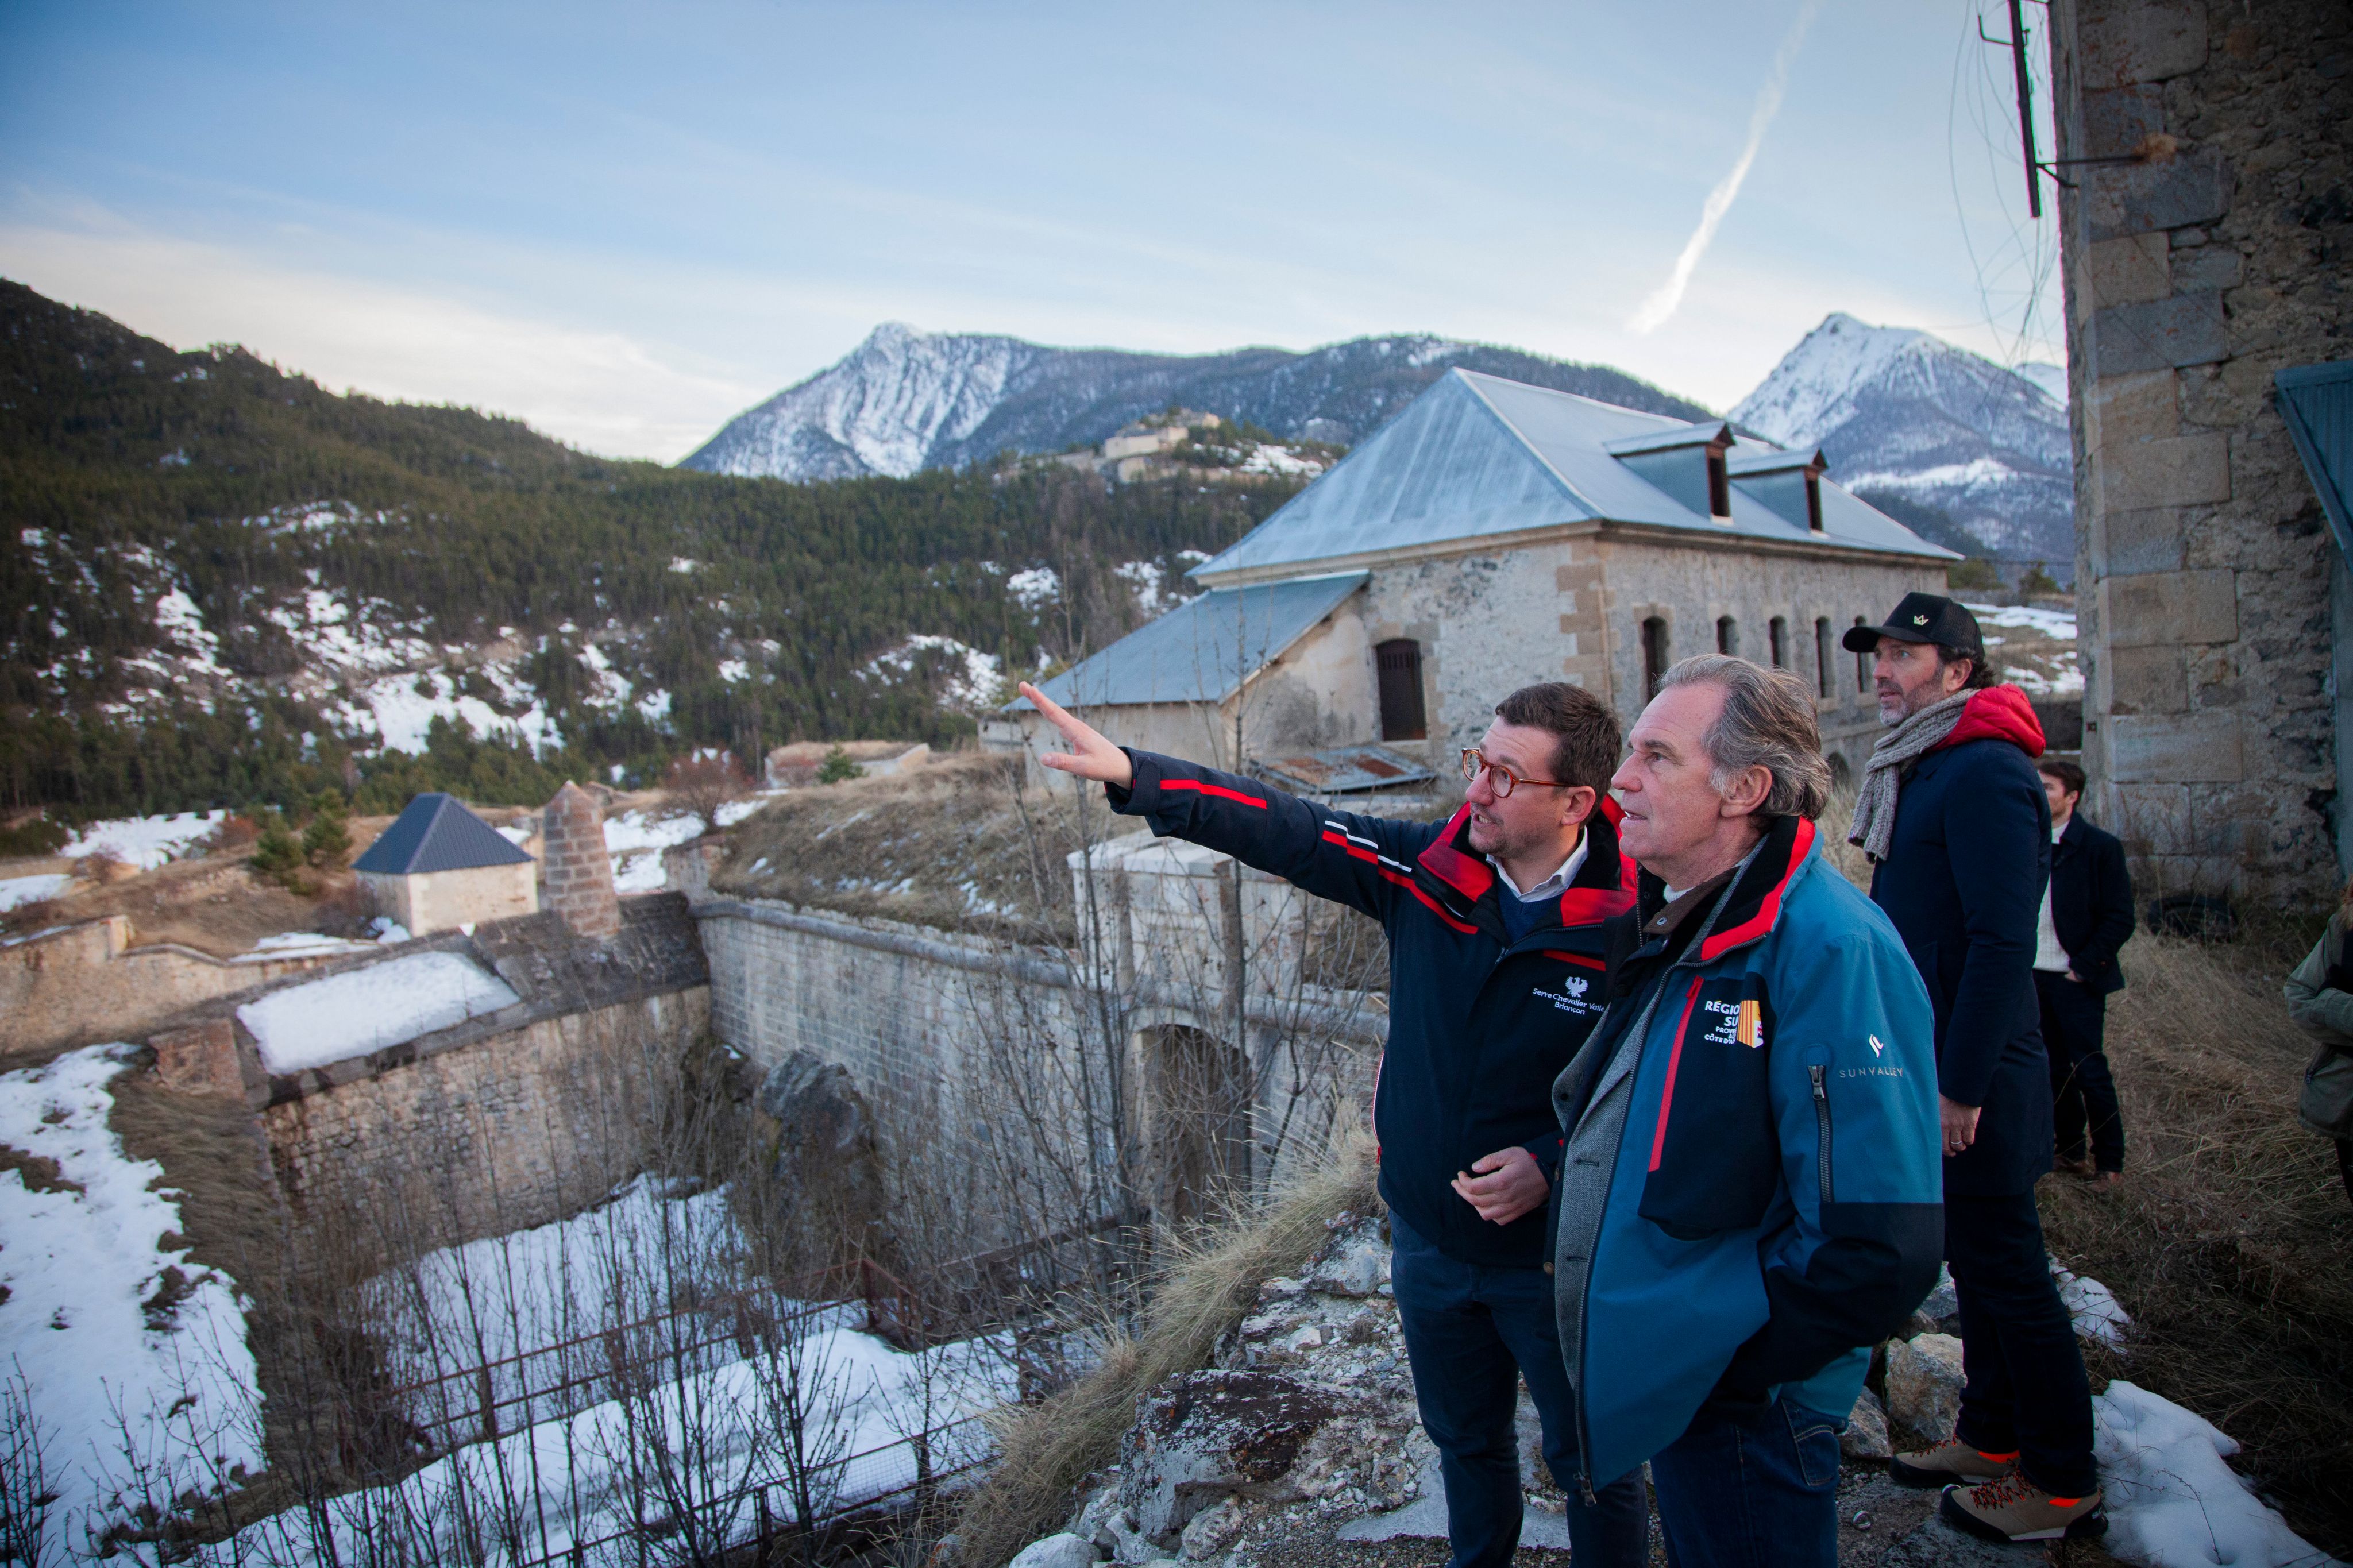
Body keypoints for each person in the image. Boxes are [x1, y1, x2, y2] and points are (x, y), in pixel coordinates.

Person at [1017, 679, 1649, 1568]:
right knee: (1465, 1443)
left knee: (1593, 1462)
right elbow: (1292, 827)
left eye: (1507, 776)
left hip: (1555, 1259)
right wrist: (1135, 772)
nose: (1475, 789)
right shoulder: (1430, 871)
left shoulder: (1636, 923)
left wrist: (1551, 1161)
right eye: (1479, 761)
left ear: (1577, 802)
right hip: (1429, 1243)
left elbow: (1656, 1090)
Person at [1548, 654, 1942, 1568]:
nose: (1621, 778)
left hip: (1749, 1408)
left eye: (1657, 756)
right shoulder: (1696, 920)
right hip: (1695, 1382)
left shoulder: (1829, 946)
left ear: (1746, 789)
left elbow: (1879, 1244)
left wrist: (1729, 1365)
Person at [1842, 593, 2105, 1543]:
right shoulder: (1927, 760)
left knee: (2011, 1276)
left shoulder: (1989, 769)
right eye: (1879, 654)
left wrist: (1961, 1085)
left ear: (1958, 670)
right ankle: (1992, 1437)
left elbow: (2001, 943)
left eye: (1905, 656)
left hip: (1976, 1079)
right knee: (1979, 1267)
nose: (1883, 670)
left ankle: (2063, 1480)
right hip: (1937, 1066)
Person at [2031, 758, 2135, 1187]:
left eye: (2049, 788)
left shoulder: (2100, 847)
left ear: (2072, 797)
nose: (2040, 794)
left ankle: (2110, 1163)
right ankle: (2070, 1150)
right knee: (2053, 1069)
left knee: (2090, 1071)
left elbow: (2120, 917)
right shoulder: (2030, 840)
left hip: (2075, 980)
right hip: (2035, 976)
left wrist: (2084, 967)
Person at [2282, 876, 2353, 1206]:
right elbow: (2299, 997)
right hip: (2345, 1093)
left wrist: (2332, 1004)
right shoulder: (2343, 928)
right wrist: (2341, 1010)